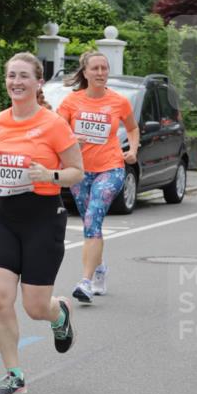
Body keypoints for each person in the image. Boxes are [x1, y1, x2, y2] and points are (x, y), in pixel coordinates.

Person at [0, 52, 84, 394]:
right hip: (4, 216)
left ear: (38, 81)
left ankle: (59, 313)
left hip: (43, 217)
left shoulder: (54, 124)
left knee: (34, 307)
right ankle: (14, 375)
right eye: (11, 76)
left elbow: (78, 170)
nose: (16, 82)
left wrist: (51, 175)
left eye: (24, 76)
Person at [56, 50, 139, 303]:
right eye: (96, 69)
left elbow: (133, 128)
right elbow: (57, 131)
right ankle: (100, 268)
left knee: (93, 215)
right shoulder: (71, 102)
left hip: (111, 168)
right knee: (90, 223)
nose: (101, 73)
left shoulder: (119, 101)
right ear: (85, 72)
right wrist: (70, 141)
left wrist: (132, 150)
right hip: (79, 171)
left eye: (104, 68)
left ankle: (85, 281)